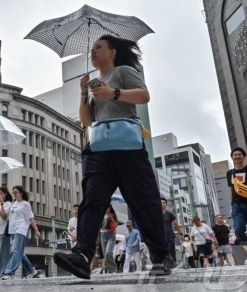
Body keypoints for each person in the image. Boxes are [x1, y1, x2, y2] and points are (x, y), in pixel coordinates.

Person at [53, 34, 172, 279]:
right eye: (92, 50)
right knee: (92, 201)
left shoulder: (123, 71)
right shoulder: (94, 83)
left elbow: (143, 96)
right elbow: (86, 121)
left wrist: (112, 93)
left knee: (143, 201)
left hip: (128, 147)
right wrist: (83, 92)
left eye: (98, 48)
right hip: (99, 148)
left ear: (112, 52)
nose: (93, 52)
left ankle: (161, 255)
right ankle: (83, 255)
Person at [1, 186, 41, 280]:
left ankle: (10, 273)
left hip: (21, 229)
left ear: (21, 193)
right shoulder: (13, 204)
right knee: (19, 253)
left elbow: (30, 218)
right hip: (12, 231)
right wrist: (1, 204)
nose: (14, 194)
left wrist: (36, 230)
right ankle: (31, 271)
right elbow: (4, 215)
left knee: (15, 251)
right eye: (13, 192)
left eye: (16, 192)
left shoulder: (25, 204)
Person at [226, 147, 247, 265]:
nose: (237, 156)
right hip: (237, 205)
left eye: (239, 154)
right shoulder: (230, 173)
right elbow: (231, 190)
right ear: (232, 157)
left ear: (243, 156)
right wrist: (231, 204)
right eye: (235, 155)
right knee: (238, 229)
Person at [161, 197, 183, 262]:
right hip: (161, 237)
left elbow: (177, 225)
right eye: (161, 203)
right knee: (162, 252)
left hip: (169, 236)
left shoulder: (169, 214)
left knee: (171, 251)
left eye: (163, 203)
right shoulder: (157, 214)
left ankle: (173, 264)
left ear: (166, 204)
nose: (162, 204)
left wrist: (181, 234)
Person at [100, 206, 118, 273]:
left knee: (108, 252)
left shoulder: (113, 215)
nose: (106, 209)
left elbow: (116, 225)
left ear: (110, 209)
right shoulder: (101, 215)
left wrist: (111, 218)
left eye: (107, 208)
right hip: (102, 235)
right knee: (105, 255)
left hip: (111, 235)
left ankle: (113, 269)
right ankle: (110, 270)